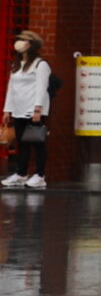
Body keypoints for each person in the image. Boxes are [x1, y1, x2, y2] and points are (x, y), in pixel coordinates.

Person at [3, 30, 53, 189]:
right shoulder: (16, 65)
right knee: (21, 143)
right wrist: (7, 110)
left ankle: (39, 175)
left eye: (24, 40)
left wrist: (38, 109)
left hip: (33, 109)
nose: (20, 42)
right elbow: (11, 88)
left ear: (31, 45)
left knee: (37, 142)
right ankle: (21, 173)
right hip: (18, 108)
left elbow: (41, 87)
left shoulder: (41, 64)